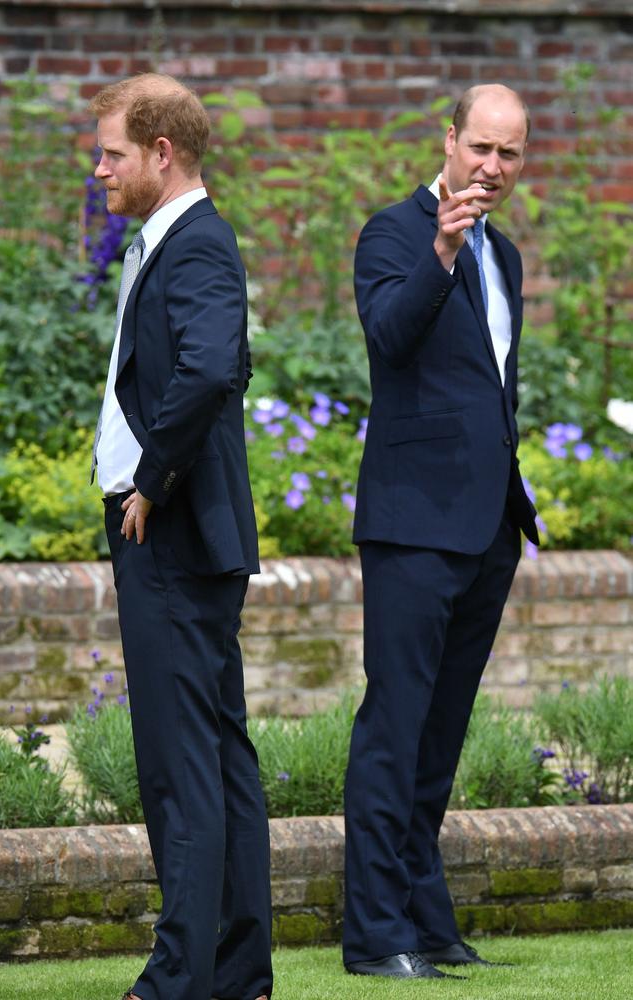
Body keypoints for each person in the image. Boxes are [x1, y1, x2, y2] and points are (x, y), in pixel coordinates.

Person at [343, 84, 539, 980]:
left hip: (487, 526)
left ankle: (424, 917)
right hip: (413, 526)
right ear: (449, 139)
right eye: (480, 149)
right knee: (396, 724)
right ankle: (375, 932)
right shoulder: (394, 232)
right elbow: (388, 337)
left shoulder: (510, 258)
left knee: (441, 734)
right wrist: (442, 250)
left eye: (509, 154)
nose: (491, 168)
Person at [89, 73, 272, 1000]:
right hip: (183, 533)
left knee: (180, 768)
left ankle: (179, 980)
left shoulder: (195, 244)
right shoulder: (178, 240)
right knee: (217, 756)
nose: (100, 168)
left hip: (172, 532)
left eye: (113, 152)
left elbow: (208, 372)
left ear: (162, 153)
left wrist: (151, 483)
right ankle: (236, 972)